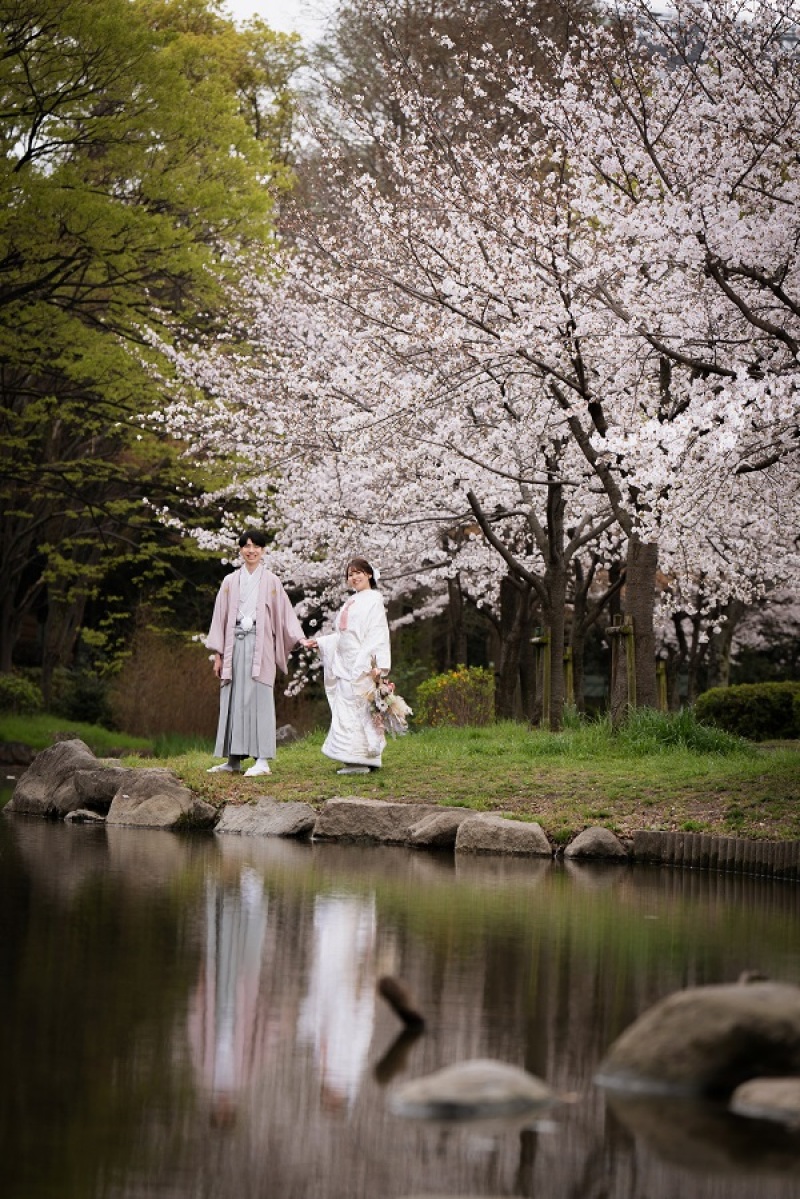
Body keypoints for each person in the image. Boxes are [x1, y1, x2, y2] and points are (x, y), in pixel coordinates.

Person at [206, 530, 304, 776]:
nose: (251, 550)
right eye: (246, 546)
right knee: (234, 698)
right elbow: (220, 618)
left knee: (260, 697)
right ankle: (233, 760)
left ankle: (262, 760)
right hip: (234, 645)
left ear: (263, 550)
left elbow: (285, 615)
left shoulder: (271, 581)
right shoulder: (230, 581)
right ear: (240, 550)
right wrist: (219, 654)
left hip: (262, 646)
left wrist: (300, 638)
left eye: (256, 546)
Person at [304, 557, 390, 775]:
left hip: (361, 663)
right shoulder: (352, 600)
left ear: (369, 574)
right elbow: (343, 635)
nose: (354, 577)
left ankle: (360, 760)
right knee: (348, 711)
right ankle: (357, 759)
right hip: (345, 662)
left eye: (358, 572)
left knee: (359, 710)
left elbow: (377, 634)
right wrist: (322, 642)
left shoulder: (374, 599)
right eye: (350, 574)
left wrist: (373, 664)